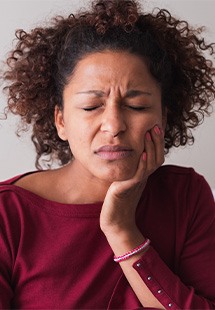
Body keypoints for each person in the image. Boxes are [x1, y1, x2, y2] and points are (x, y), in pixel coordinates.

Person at [0, 0, 215, 308]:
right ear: (61, 120)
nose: (113, 126)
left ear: (163, 119)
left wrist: (121, 229)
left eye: (137, 106)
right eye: (91, 107)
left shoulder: (185, 196)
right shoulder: (9, 216)